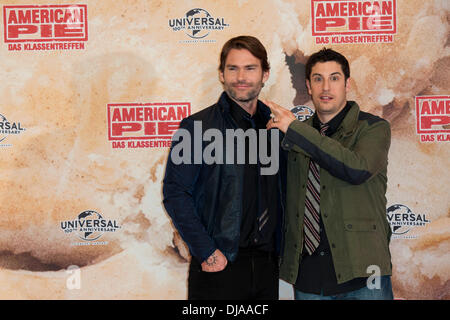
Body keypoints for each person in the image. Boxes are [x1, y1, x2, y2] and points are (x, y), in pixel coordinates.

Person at [162, 36, 286, 300]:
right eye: (233, 68)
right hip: (218, 266)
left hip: (267, 267)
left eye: (250, 68)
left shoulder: (277, 128)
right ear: (221, 74)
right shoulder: (197, 127)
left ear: (265, 75)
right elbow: (175, 192)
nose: (241, 77)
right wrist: (206, 251)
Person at [265, 48, 393, 300]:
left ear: (347, 83)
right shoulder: (290, 135)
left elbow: (356, 168)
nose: (326, 87)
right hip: (309, 277)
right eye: (317, 78)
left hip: (365, 274)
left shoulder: (373, 128)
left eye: (334, 78)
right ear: (308, 86)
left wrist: (296, 129)